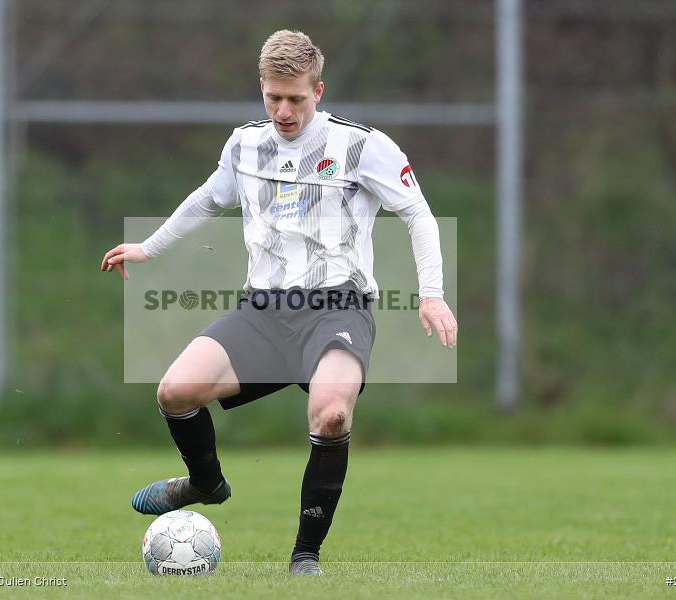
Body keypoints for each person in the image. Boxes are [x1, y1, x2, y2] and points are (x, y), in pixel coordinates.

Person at [100, 30, 457, 576]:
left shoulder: (363, 146)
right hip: (263, 311)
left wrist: (431, 294)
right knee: (175, 391)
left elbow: (417, 214)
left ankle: (305, 557)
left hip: (339, 308)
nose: (284, 111)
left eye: (297, 99)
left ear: (319, 90)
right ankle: (205, 483)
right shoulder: (244, 143)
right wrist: (149, 247)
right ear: (262, 89)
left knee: (333, 413)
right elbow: (208, 197)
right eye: (273, 98)